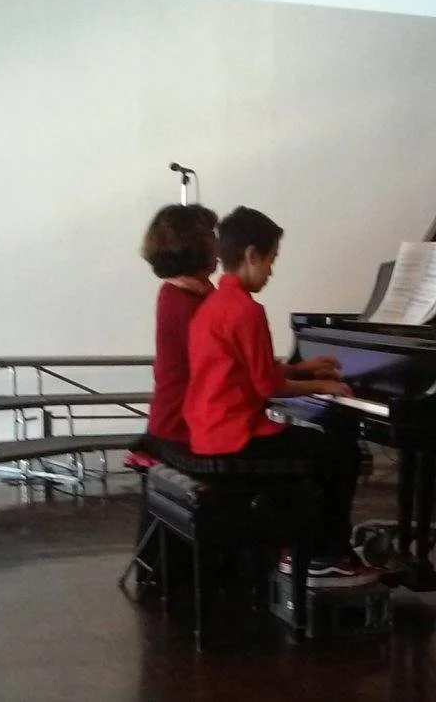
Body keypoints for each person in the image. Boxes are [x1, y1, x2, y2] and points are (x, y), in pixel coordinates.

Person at [184, 206, 378, 588]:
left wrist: (302, 370)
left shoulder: (215, 305)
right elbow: (267, 388)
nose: (272, 270)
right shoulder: (246, 311)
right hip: (235, 437)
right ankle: (327, 554)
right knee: (341, 453)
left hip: (209, 431)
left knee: (324, 448)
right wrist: (323, 386)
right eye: (272, 260)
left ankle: (303, 542)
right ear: (252, 255)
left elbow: (245, 371)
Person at [138, 202, 218, 454]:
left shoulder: (180, 292)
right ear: (192, 247)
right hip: (182, 430)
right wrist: (298, 380)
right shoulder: (187, 303)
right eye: (210, 236)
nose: (217, 244)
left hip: (177, 424)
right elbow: (232, 367)